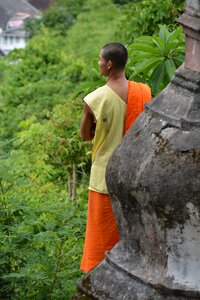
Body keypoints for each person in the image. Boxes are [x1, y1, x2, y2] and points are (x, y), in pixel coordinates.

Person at [80, 42, 151, 273]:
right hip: (134, 175)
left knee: (102, 242)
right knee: (131, 237)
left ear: (109, 64)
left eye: (100, 59)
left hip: (103, 177)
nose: (98, 63)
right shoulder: (143, 91)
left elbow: (84, 135)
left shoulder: (94, 99)